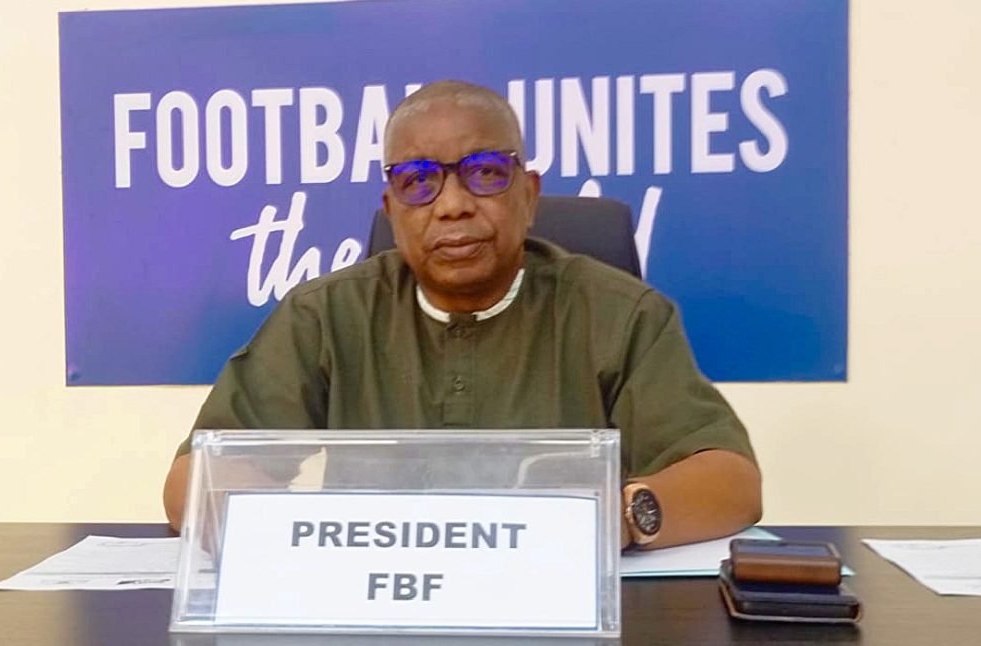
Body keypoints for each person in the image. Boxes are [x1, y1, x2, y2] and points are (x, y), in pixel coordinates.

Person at [163, 80, 762, 548]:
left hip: (559, 604)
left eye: (484, 174)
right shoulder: (324, 316)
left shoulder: (619, 314)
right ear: (392, 209)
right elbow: (194, 482)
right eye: (418, 181)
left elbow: (731, 482)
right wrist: (304, 534)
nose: (452, 205)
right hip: (376, 604)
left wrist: (617, 518)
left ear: (528, 194)